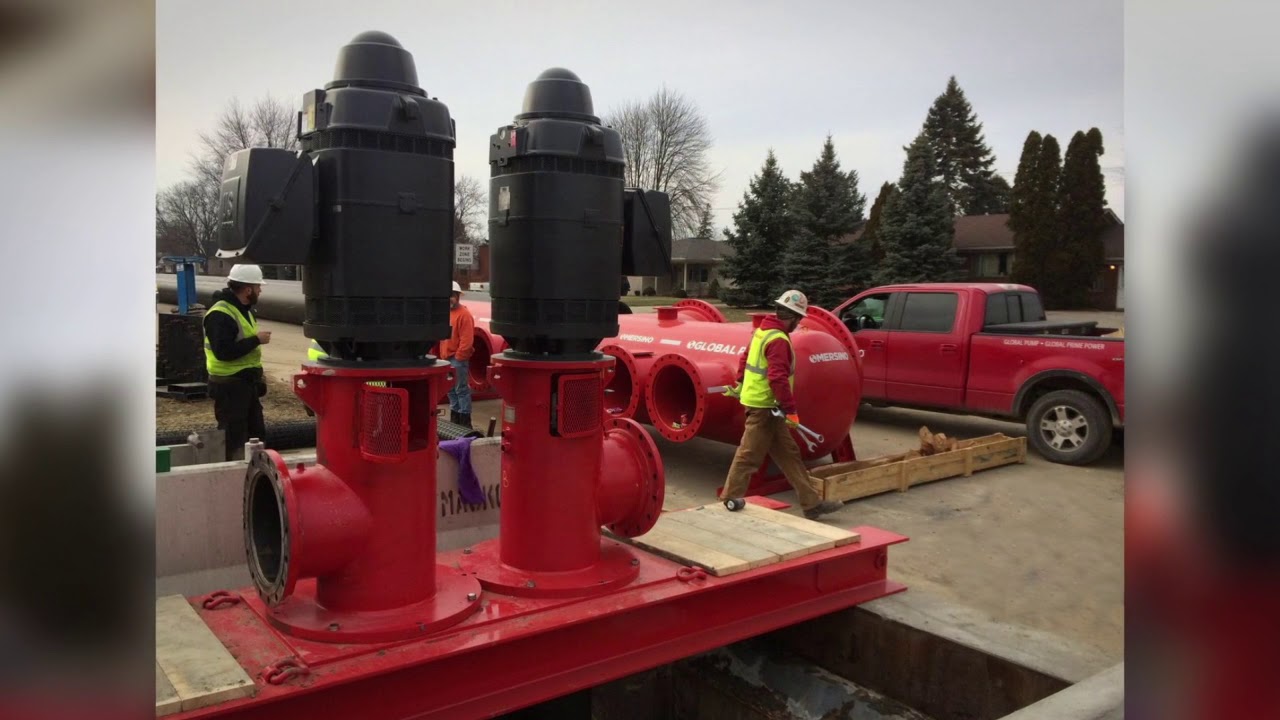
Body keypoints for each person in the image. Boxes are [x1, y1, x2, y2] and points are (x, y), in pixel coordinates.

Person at [720, 289, 843, 520]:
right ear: (793, 318)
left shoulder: (762, 332)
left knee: (789, 454)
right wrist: (791, 410)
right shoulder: (778, 340)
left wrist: (739, 383)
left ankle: (811, 503)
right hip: (764, 408)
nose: (798, 325)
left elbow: (745, 358)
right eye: (798, 319)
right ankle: (727, 499)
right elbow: (777, 377)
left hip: (767, 406)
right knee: (748, 456)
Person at [204, 264, 271, 461]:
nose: (260, 290)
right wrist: (256, 340)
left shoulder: (243, 310)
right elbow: (223, 352)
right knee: (233, 439)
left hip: (245, 386)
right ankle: (233, 479)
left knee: (256, 436)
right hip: (229, 387)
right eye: (258, 286)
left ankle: (255, 476)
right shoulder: (221, 314)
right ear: (248, 289)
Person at [441, 281, 475, 428]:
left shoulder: (464, 315)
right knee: (450, 390)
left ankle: (465, 423)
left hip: (457, 359)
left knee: (461, 389)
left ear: (458, 297)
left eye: (452, 296)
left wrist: (459, 358)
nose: (450, 299)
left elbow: (466, 341)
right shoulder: (446, 313)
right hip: (447, 358)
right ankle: (455, 420)